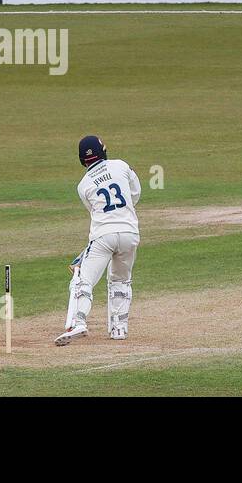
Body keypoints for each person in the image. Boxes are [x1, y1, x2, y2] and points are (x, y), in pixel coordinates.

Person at [55, 135, 142, 346]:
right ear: (103, 150)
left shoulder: (83, 185)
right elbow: (136, 193)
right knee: (120, 280)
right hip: (130, 233)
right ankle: (119, 329)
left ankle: (79, 322)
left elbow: (95, 211)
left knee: (83, 280)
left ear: (81, 160)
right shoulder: (121, 165)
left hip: (103, 236)